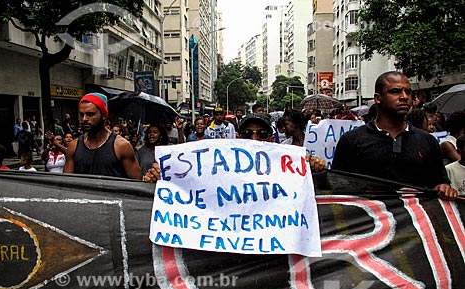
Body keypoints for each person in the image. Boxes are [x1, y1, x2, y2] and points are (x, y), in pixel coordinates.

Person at [332, 71, 457, 200]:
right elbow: (336, 186)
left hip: (414, 218)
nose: (404, 97)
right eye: (395, 91)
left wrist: (444, 188)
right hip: (368, 217)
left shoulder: (428, 142)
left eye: (408, 92)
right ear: (378, 98)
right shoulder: (352, 140)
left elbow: (439, 182)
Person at [144, 113, 326, 182]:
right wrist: (160, 177)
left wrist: (316, 170)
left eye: (261, 134)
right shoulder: (219, 164)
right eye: (248, 134)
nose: (254, 139)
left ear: (271, 139)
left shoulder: (288, 165)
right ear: (238, 137)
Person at [64, 93, 142, 179]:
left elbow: (137, 184)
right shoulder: (73, 146)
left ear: (104, 115)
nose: (84, 119)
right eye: (82, 114)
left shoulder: (121, 146)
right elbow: (66, 184)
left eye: (90, 114)